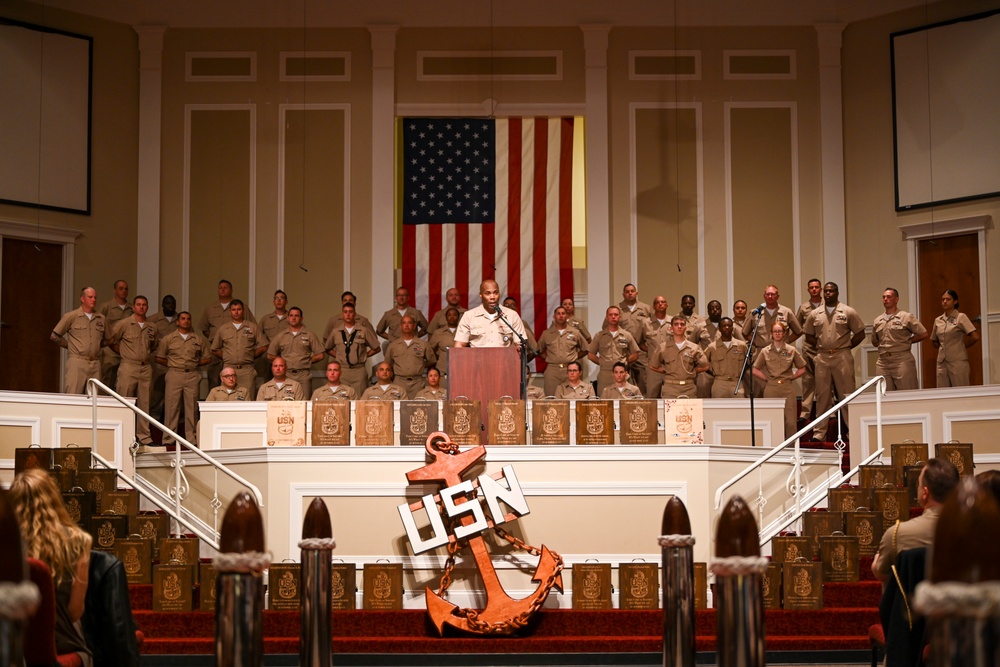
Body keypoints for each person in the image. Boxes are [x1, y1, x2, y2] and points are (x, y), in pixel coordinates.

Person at [9, 468, 94, 665]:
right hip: (61, 646)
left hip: (11, 648)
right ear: (53, 499)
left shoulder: (5, 542)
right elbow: (74, 611)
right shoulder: (79, 542)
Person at [872, 458, 959, 582]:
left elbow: (882, 572)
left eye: (919, 484)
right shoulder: (978, 531)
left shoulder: (896, 534)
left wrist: (876, 564)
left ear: (925, 492)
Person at [804, 282, 866, 441]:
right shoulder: (815, 314)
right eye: (826, 291)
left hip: (842, 356)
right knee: (822, 396)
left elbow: (860, 333)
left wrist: (846, 346)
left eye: (831, 291)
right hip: (822, 357)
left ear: (837, 293)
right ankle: (819, 433)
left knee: (847, 395)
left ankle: (852, 431)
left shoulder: (848, 311)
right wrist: (819, 345)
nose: (828, 294)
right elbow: (808, 335)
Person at [155, 311, 211, 446]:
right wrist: (173, 364)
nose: (186, 321)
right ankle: (168, 439)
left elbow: (207, 358)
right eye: (183, 319)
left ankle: (191, 439)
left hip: (192, 375)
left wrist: (194, 364)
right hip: (174, 374)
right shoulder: (169, 339)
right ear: (177, 322)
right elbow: (159, 357)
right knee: (171, 407)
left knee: (191, 409)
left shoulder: (197, 339)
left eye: (188, 319)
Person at [109, 295, 158, 445]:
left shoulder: (152, 327)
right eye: (138, 304)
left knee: (145, 402)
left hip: (145, 367)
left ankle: (144, 436)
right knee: (125, 400)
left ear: (147, 307)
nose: (141, 307)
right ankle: (123, 433)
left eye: (144, 305)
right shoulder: (124, 324)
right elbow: (111, 340)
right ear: (134, 307)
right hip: (128, 366)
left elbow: (154, 345)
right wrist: (123, 352)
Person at [752, 322, 807, 440]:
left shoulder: (791, 350)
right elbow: (755, 370)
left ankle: (791, 449)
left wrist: (792, 377)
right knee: (771, 419)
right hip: (771, 388)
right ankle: (773, 446)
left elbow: (802, 368)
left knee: (790, 421)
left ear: (784, 333)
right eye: (775, 331)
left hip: (787, 388)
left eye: (780, 331)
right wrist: (767, 378)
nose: (777, 334)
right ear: (771, 334)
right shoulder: (765, 351)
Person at [199, 280, 256, 388]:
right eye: (220, 288)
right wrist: (216, 340)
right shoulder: (210, 308)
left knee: (240, 385)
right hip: (217, 351)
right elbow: (204, 329)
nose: (223, 289)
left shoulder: (241, 306)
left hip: (239, 352)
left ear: (231, 290)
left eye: (226, 287)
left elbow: (252, 327)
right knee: (214, 381)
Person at [51, 286, 109, 394]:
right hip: (77, 361)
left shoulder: (101, 318)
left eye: (95, 297)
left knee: (94, 398)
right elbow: (55, 336)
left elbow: (109, 339)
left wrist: (98, 345)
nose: (94, 300)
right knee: (73, 394)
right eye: (90, 297)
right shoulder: (71, 316)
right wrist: (70, 345)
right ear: (82, 299)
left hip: (95, 362)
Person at [871, 288, 929, 391]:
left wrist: (908, 341)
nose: (885, 299)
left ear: (896, 299)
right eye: (883, 297)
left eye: (889, 297)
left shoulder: (906, 317)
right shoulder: (878, 320)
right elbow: (875, 341)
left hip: (902, 359)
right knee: (884, 394)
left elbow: (924, 333)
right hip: (883, 361)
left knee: (907, 392)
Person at [211, 299, 267, 393]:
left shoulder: (252, 327)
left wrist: (251, 355)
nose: (236, 312)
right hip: (228, 369)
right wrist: (226, 356)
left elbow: (264, 345)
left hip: (246, 370)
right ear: (230, 311)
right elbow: (214, 349)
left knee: (247, 400)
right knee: (227, 399)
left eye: (239, 309)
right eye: (234, 309)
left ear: (243, 310)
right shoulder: (223, 328)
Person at [603, 284, 652, 392]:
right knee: (620, 382)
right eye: (627, 291)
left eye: (632, 291)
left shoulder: (646, 309)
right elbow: (606, 328)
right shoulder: (617, 309)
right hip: (622, 352)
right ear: (623, 294)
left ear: (636, 293)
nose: (630, 293)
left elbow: (652, 327)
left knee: (642, 383)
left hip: (641, 353)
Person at [325, 302, 380, 397]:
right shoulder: (336, 331)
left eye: (350, 312)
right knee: (342, 399)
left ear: (354, 314)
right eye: (345, 312)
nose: (348, 314)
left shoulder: (363, 330)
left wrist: (364, 355)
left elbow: (376, 348)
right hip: (342, 370)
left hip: (359, 370)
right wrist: (338, 355)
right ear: (342, 314)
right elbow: (327, 348)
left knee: (359, 399)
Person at [648, 315, 709, 399]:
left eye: (682, 324)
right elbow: (652, 365)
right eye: (676, 324)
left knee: (690, 412)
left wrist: (692, 372)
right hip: (670, 387)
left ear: (685, 327)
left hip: (689, 387)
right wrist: (665, 370)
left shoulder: (694, 347)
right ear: (671, 328)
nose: (679, 326)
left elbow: (705, 366)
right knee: (670, 412)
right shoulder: (663, 347)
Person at [454, 279, 528, 348]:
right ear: (481, 295)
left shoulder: (512, 315)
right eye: (488, 293)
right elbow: (459, 345)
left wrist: (520, 348)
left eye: (495, 293)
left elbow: (521, 345)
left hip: (504, 360)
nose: (492, 297)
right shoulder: (469, 316)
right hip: (477, 360)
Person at [930, 289, 980, 388]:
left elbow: (975, 337)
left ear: (955, 301)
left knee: (960, 390)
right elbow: (934, 340)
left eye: (948, 299)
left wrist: (962, 346)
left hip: (957, 360)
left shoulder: (960, 317)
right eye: (943, 299)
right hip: (942, 362)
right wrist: (943, 348)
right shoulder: (938, 320)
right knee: (942, 392)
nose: (945, 302)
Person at [266, 306, 325, 389]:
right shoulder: (281, 336)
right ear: (288, 318)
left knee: (304, 401)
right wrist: (281, 361)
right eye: (291, 315)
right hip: (286, 374)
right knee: (286, 401)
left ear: (301, 318)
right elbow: (270, 355)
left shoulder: (309, 335)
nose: (293, 318)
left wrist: (308, 361)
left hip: (303, 375)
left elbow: (320, 355)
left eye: (296, 316)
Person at [537, 306, 588, 396]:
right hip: (552, 370)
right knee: (551, 398)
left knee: (570, 396)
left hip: (570, 369)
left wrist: (575, 357)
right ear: (554, 316)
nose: (561, 316)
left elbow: (586, 349)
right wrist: (548, 358)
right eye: (558, 314)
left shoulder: (574, 332)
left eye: (563, 313)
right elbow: (538, 350)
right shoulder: (547, 333)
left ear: (567, 316)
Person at [588, 306, 639, 396]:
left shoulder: (626, 335)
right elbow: (590, 355)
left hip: (622, 375)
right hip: (605, 375)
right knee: (604, 404)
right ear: (607, 317)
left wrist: (624, 363)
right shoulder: (599, 335)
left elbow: (635, 354)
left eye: (616, 315)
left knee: (625, 402)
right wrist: (603, 362)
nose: (613, 317)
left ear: (620, 317)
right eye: (611, 315)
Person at [384, 314, 437, 397]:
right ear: (400, 326)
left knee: (418, 408)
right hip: (399, 382)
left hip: (417, 383)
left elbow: (432, 360)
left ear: (414, 326)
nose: (406, 325)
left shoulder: (423, 344)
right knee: (398, 408)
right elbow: (387, 364)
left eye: (409, 323)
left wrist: (421, 365)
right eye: (404, 323)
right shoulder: (393, 345)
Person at [147, 294, 179, 420]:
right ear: (162, 305)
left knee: (175, 395)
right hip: (158, 362)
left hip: (176, 363)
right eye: (167, 303)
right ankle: (154, 417)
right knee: (157, 392)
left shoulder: (181, 319)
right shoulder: (153, 320)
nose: (170, 306)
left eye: (172, 303)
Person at [796, 279, 824, 419]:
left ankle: (828, 410)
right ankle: (805, 412)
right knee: (808, 380)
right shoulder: (803, 308)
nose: (814, 289)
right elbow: (797, 327)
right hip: (808, 349)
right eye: (811, 287)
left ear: (821, 289)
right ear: (808, 290)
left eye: (816, 287)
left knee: (825, 381)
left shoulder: (828, 306)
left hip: (824, 348)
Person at [98, 280, 133, 388]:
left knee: (124, 384)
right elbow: (98, 326)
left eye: (126, 289)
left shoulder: (132, 308)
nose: (124, 291)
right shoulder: (106, 307)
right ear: (115, 290)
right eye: (121, 288)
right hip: (110, 350)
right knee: (107, 382)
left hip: (127, 350)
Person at [706, 317, 748, 398]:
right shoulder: (712, 347)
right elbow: (703, 363)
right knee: (718, 409)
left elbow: (748, 363)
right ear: (719, 329)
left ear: (732, 328)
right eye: (724, 326)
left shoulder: (741, 345)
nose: (727, 328)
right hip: (719, 383)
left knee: (740, 408)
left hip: (737, 382)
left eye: (729, 326)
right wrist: (713, 372)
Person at [257, 290, 290, 382]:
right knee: (268, 383)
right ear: (273, 302)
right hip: (269, 358)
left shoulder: (292, 318)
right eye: (276, 298)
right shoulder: (266, 319)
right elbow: (257, 337)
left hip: (287, 356)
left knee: (288, 384)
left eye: (282, 298)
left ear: (286, 301)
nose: (279, 300)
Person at [642, 296, 671, 398]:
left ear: (667, 305)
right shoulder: (646, 323)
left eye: (663, 302)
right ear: (653, 306)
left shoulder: (673, 322)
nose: (660, 304)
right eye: (658, 302)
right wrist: (652, 351)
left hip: (670, 366)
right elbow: (639, 342)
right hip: (653, 367)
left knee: (671, 398)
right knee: (652, 397)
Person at [428, 307, 459, 386]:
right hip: (443, 372)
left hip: (460, 370)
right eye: (449, 315)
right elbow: (429, 350)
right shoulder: (438, 333)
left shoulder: (464, 331)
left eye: (454, 315)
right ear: (446, 317)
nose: (452, 317)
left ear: (459, 317)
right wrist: (436, 359)